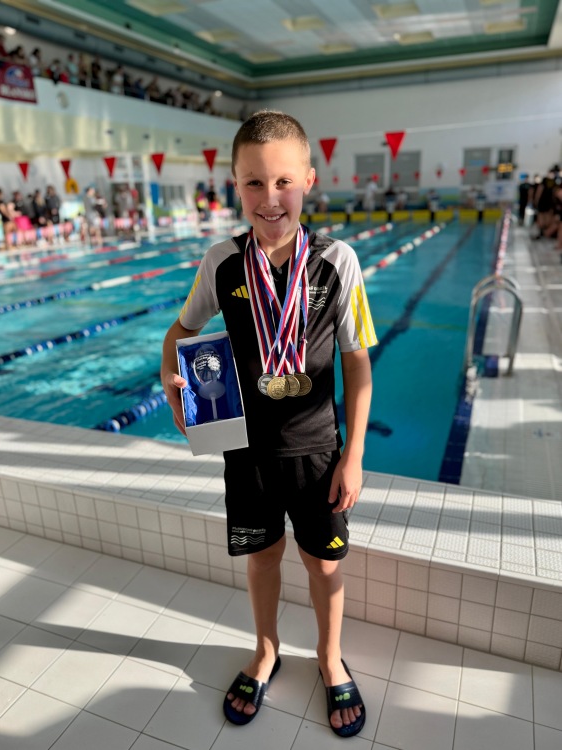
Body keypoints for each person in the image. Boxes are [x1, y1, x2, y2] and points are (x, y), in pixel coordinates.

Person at [161, 110, 375, 738]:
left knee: (324, 565)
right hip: (247, 452)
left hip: (318, 452)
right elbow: (181, 332)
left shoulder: (338, 261)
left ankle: (329, 657)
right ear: (235, 185)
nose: (270, 197)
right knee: (262, 559)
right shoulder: (222, 262)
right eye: (254, 182)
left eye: (283, 181)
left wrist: (354, 455)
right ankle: (266, 650)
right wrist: (174, 386)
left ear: (308, 179)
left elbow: (358, 365)